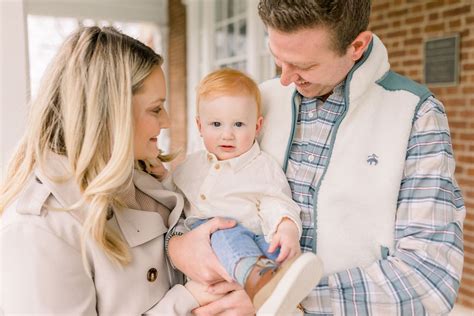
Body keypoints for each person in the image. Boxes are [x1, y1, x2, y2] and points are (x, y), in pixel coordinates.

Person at [168, 1, 466, 315]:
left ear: (356, 46)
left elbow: (430, 279)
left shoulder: (415, 113)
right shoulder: (256, 103)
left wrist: (279, 298)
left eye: (305, 66)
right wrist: (177, 246)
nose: (284, 79)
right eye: (277, 58)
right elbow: (195, 197)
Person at [0, 26, 242, 315]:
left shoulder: (142, 180)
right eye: (155, 109)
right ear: (113, 114)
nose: (166, 121)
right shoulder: (40, 227)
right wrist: (188, 302)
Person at [160, 68, 322, 315]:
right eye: (216, 124)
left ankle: (280, 281)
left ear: (257, 126)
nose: (227, 134)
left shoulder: (261, 166)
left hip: (252, 244)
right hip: (210, 250)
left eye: (238, 124)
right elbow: (169, 195)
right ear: (199, 126)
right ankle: (265, 282)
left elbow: (276, 201)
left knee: (268, 246)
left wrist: (286, 227)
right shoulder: (189, 166)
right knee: (221, 230)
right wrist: (157, 173)